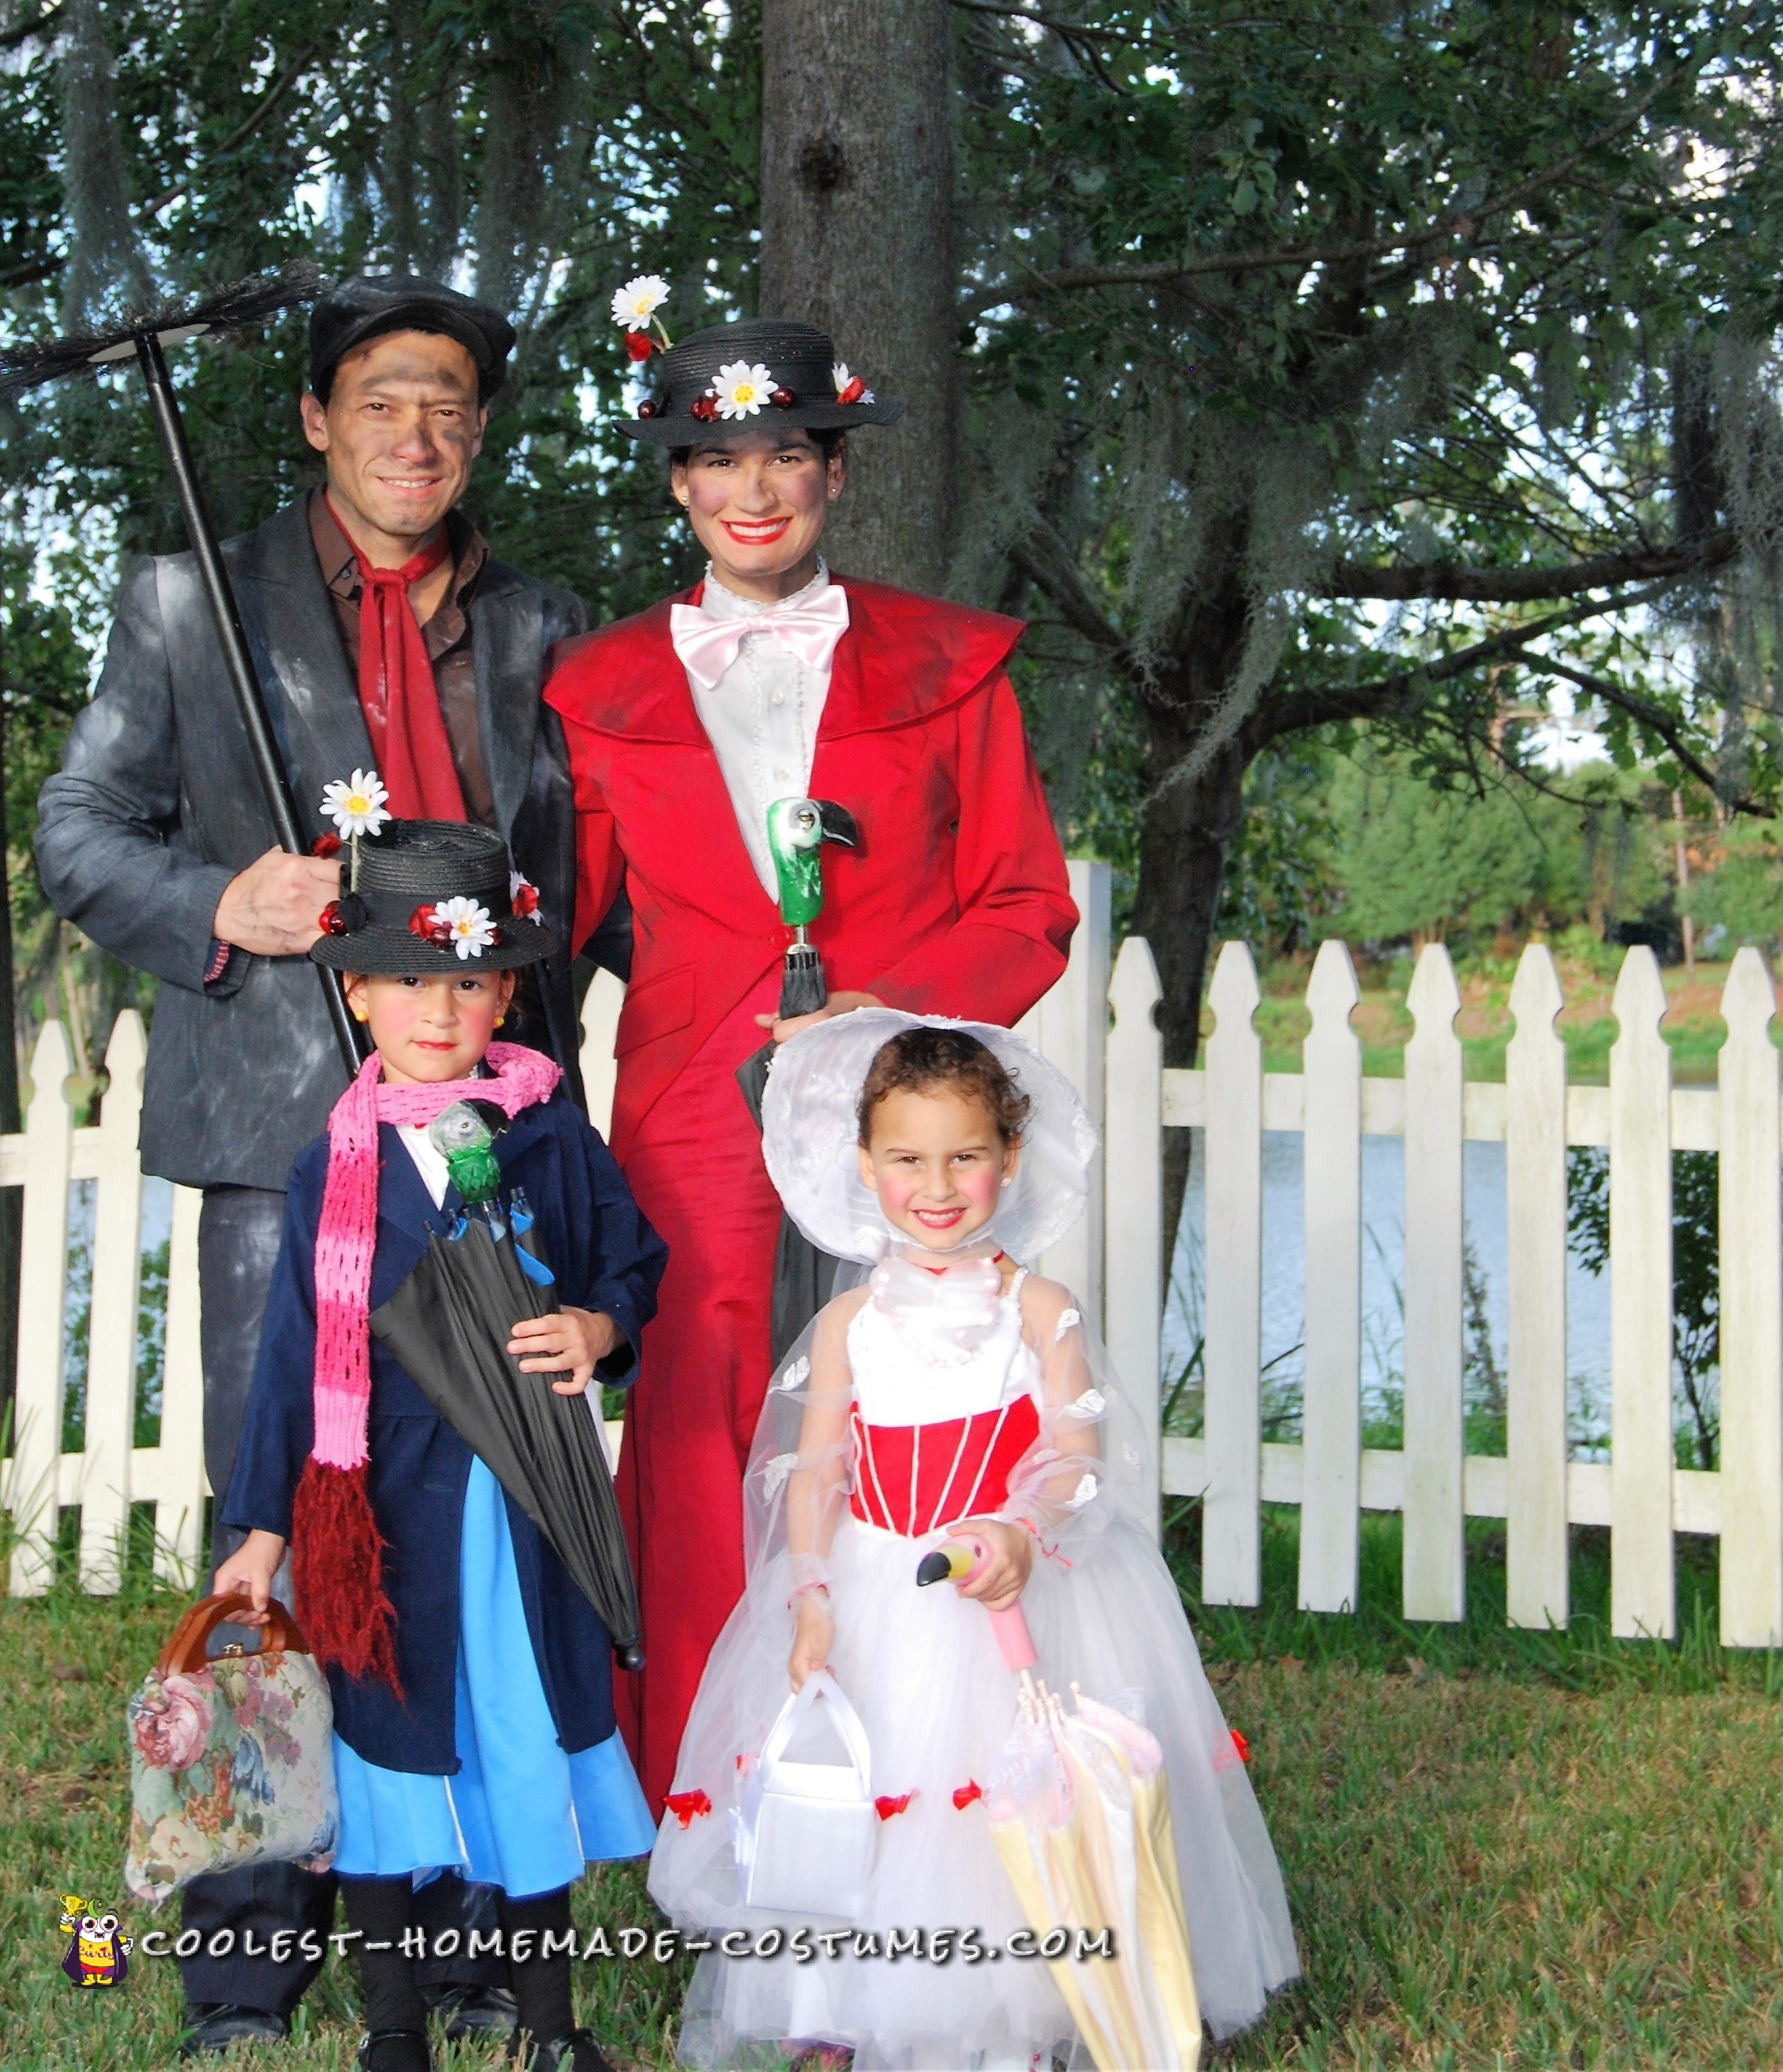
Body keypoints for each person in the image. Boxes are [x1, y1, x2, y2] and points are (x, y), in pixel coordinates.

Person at [34, 274, 598, 2053]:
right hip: (288, 1149)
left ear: (479, 429)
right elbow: (73, 829)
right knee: (278, 1531)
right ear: (313, 422)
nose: (412, 434)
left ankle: (493, 1930)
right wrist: (217, 899)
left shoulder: (542, 627)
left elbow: (583, 892)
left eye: (445, 402)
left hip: (490, 1140)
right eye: (377, 402)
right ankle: (250, 1953)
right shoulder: (189, 597)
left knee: (491, 1530)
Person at [544, 308, 1079, 1813]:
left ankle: (945, 1792)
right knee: (698, 1422)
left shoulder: (952, 664)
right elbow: (561, 925)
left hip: (904, 1102)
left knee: (927, 1410)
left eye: (785, 451)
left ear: (835, 472)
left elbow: (1030, 904)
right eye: (714, 459)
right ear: (677, 486)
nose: (751, 487)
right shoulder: (596, 689)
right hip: (687, 1106)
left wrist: (874, 1006)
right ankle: (709, 1803)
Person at [649, 1014, 1299, 2066]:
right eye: (907, 1158)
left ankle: (1011, 2021)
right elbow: (815, 1467)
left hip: (1006, 1587)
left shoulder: (1037, 1308)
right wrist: (811, 1590)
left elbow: (1079, 1447)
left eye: (966, 1156)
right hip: (872, 1582)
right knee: (872, 1795)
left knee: (1002, 1799)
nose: (937, 1184)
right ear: (865, 1163)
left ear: (1009, 1155)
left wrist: (1023, 1531)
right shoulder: (848, 1323)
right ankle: (846, 2008)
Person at [216, 820, 667, 2072]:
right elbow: (297, 1356)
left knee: (524, 1735)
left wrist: (597, 1322)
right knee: (387, 1751)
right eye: (411, 980)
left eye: (469, 979)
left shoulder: (551, 1138)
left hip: (524, 1507)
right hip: (386, 1516)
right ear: (356, 991)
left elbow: (634, 1263)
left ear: (507, 991)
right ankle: (396, 2027)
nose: (440, 1007)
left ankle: (548, 2025)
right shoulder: (333, 1170)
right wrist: (261, 1530)